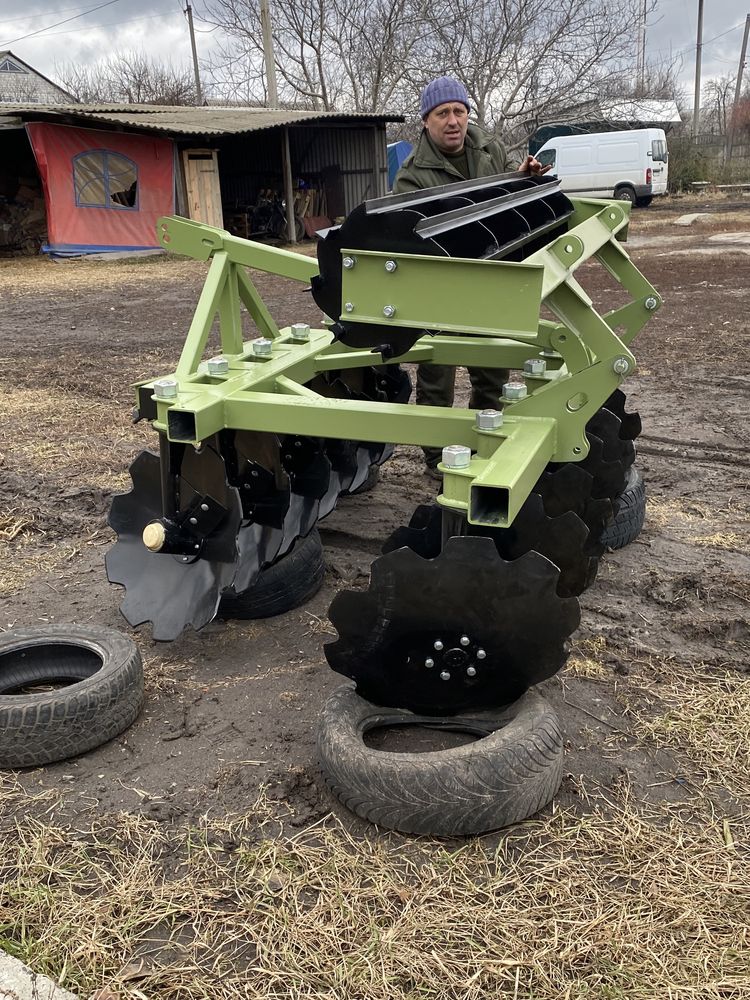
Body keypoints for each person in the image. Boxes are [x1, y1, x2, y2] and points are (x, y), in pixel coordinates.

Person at [393, 76, 550, 477]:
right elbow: (408, 235)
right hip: (441, 284)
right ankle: (435, 458)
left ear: (467, 115)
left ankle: (485, 444)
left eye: (459, 111)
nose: (452, 121)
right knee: (436, 376)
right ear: (426, 121)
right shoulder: (412, 175)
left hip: (490, 274)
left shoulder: (489, 149)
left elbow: (503, 193)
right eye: (442, 113)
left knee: (491, 370)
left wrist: (523, 176)